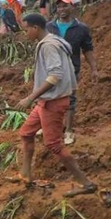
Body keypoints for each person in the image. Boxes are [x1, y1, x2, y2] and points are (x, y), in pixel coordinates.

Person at [17, 13, 97, 197]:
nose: (25, 33)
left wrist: (30, 97)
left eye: (26, 29)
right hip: (46, 100)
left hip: (53, 101)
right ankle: (25, 174)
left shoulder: (49, 46)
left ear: (35, 28)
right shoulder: (53, 40)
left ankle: (86, 183)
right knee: (26, 133)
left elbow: (55, 76)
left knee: (54, 144)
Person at [45, 0, 98, 145]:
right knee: (51, 97)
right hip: (52, 68)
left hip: (71, 69)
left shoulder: (81, 28)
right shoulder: (49, 27)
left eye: (65, 6)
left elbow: (87, 49)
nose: (62, 10)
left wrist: (94, 68)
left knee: (70, 99)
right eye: (59, 7)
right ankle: (52, 127)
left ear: (72, 7)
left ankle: (68, 130)